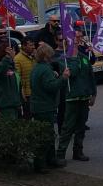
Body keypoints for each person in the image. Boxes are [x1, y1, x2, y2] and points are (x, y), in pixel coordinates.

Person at [57, 26, 96, 162]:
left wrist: (94, 94)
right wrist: (73, 57)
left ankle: (78, 151)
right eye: (75, 39)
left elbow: (91, 76)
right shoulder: (63, 59)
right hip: (71, 98)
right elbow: (71, 73)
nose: (78, 41)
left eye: (78, 38)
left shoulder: (84, 57)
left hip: (84, 96)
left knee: (81, 127)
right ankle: (60, 154)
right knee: (68, 127)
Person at [29, 43, 66, 171]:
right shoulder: (45, 69)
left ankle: (50, 159)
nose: (52, 57)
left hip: (39, 105)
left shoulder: (37, 67)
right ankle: (41, 163)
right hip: (44, 106)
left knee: (47, 134)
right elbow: (51, 87)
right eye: (50, 55)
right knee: (45, 135)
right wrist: (63, 78)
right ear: (46, 56)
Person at [0, 43, 23, 118]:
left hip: (15, 104)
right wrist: (7, 58)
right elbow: (1, 70)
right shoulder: (2, 65)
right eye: (13, 50)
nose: (15, 52)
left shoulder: (12, 66)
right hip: (6, 105)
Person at [14, 38, 37, 118]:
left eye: (34, 45)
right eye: (31, 45)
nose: (33, 47)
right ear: (23, 46)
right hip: (27, 94)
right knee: (28, 115)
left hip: (36, 91)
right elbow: (18, 78)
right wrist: (22, 92)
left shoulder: (35, 57)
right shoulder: (17, 59)